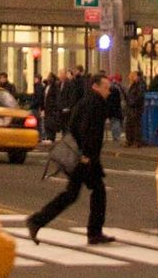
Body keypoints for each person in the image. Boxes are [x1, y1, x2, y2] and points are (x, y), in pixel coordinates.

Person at [27, 74, 115, 245]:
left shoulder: (85, 101)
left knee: (73, 194)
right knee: (96, 192)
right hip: (85, 158)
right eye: (106, 87)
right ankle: (94, 232)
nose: (108, 91)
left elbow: (73, 125)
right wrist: (86, 155)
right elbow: (86, 130)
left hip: (83, 155)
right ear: (95, 86)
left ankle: (37, 221)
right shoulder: (94, 103)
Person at [124, 71, 146, 147]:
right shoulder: (133, 84)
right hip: (131, 107)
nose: (130, 77)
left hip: (136, 107)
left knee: (136, 125)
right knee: (129, 124)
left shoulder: (140, 84)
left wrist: (132, 102)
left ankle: (136, 141)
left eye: (132, 76)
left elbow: (139, 95)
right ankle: (130, 140)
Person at [106, 75, 125, 143]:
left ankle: (116, 137)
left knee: (114, 122)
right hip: (117, 108)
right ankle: (117, 137)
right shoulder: (118, 88)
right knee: (117, 121)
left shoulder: (110, 89)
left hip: (112, 108)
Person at [30, 74, 46, 141]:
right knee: (38, 122)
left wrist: (33, 105)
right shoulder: (38, 86)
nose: (34, 80)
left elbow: (38, 98)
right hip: (37, 106)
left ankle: (39, 136)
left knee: (37, 122)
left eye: (35, 79)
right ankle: (40, 136)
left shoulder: (38, 87)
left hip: (36, 107)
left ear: (38, 79)